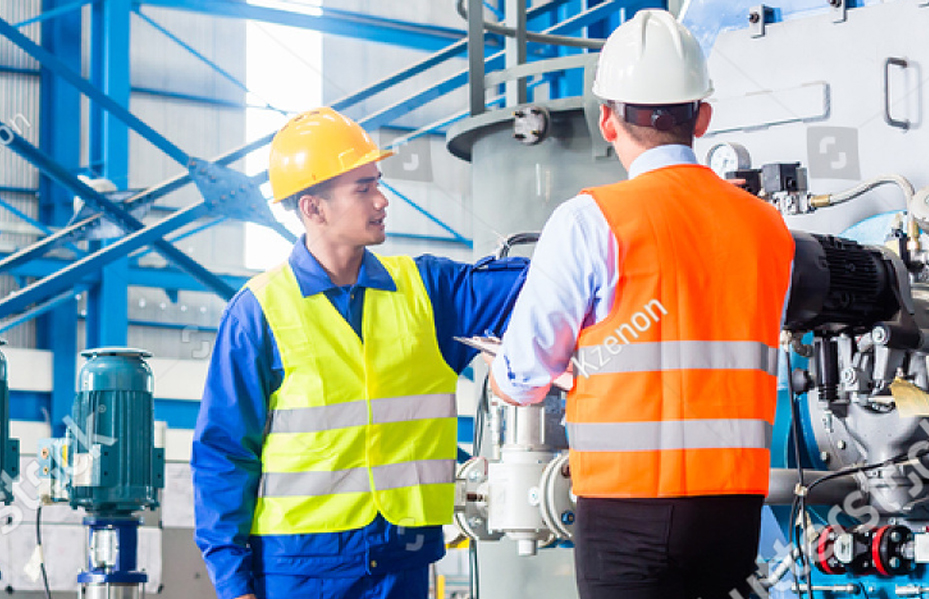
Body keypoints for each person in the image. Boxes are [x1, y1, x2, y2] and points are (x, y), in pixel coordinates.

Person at [487, 10, 794, 599]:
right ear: (702, 117)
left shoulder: (590, 219)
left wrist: (507, 378)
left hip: (626, 515)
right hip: (733, 515)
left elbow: (526, 373)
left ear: (606, 120)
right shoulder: (768, 227)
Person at [193, 107, 527, 599]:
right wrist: (232, 581)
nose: (382, 200)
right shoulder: (257, 312)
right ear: (314, 209)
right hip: (299, 570)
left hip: (403, 562)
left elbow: (536, 286)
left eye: (378, 184)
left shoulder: (428, 292)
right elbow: (223, 452)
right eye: (363, 188)